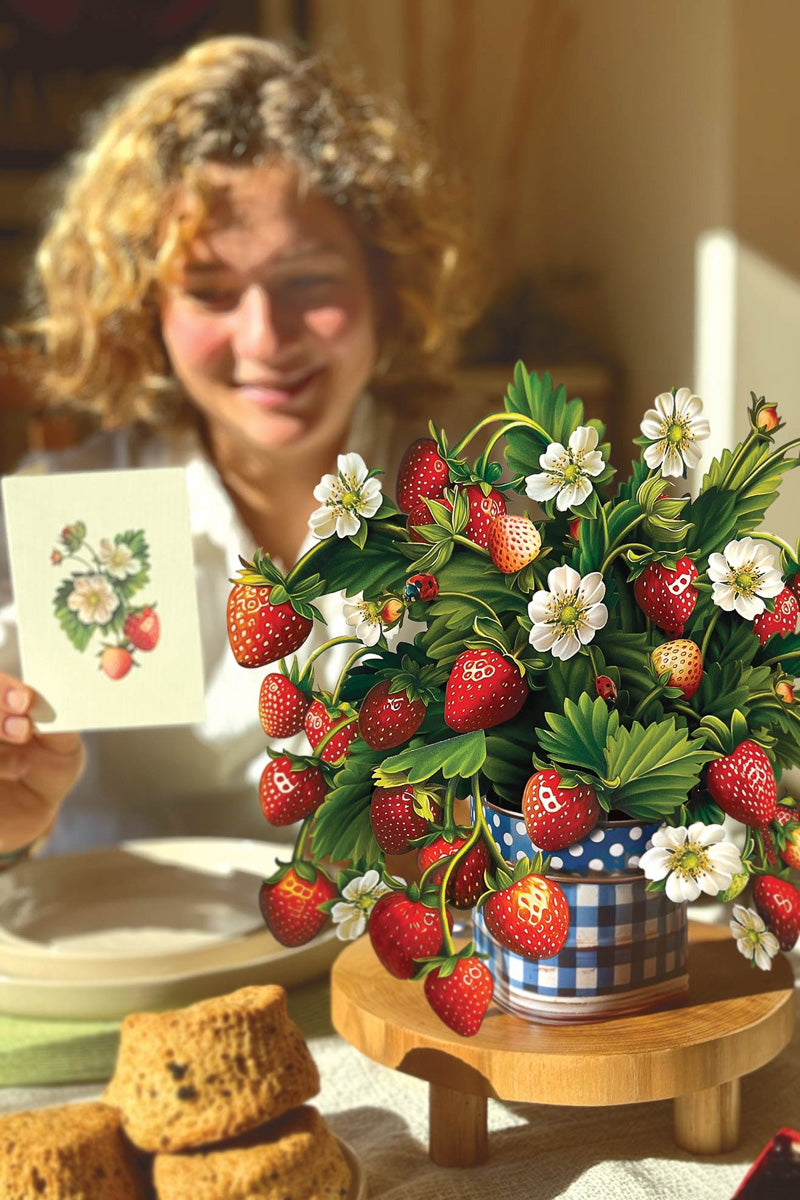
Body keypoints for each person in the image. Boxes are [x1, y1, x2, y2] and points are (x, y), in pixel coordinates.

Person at [0, 35, 480, 857]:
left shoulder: (491, 513)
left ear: (385, 284)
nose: (264, 339)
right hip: (132, 971)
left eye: (307, 281)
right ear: (142, 307)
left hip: (387, 976)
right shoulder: (67, 520)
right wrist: (10, 831)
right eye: (211, 292)